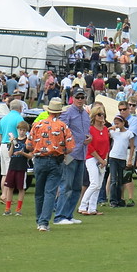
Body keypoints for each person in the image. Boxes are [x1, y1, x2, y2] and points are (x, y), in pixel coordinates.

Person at [27, 97, 75, 231]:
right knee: (50, 192)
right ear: (60, 112)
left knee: (39, 192)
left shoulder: (37, 125)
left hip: (39, 160)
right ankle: (44, 222)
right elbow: (71, 147)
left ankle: (39, 220)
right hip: (55, 160)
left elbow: (29, 145)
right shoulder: (62, 126)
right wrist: (61, 150)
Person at [54, 89, 90, 225]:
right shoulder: (68, 112)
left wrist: (89, 138)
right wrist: (64, 150)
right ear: (72, 98)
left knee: (76, 187)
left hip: (82, 153)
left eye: (82, 97)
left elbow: (86, 132)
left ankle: (68, 215)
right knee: (66, 185)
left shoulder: (86, 114)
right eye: (78, 97)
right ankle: (59, 216)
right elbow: (60, 131)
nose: (80, 100)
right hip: (70, 154)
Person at [78, 107, 109, 215]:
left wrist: (104, 159)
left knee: (99, 185)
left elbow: (107, 145)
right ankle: (83, 205)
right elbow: (90, 147)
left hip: (102, 159)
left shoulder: (105, 129)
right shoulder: (90, 129)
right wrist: (100, 159)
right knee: (94, 183)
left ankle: (92, 208)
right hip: (91, 158)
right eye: (99, 114)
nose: (101, 117)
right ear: (94, 116)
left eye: (103, 114)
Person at [106, 113, 135, 208]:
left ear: (123, 123)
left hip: (122, 158)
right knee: (114, 179)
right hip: (113, 157)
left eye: (118, 123)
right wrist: (111, 128)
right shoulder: (114, 133)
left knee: (120, 180)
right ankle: (113, 200)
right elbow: (106, 133)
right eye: (115, 123)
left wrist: (129, 159)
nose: (116, 125)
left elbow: (131, 147)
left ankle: (119, 199)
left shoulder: (128, 133)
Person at [2, 120, 31, 216]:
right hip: (12, 166)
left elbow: (31, 156)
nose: (21, 132)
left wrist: (22, 153)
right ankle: (7, 208)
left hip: (22, 167)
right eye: (20, 130)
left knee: (21, 188)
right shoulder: (15, 140)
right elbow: (10, 154)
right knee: (10, 187)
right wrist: (11, 144)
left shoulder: (27, 141)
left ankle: (18, 209)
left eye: (23, 130)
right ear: (17, 130)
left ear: (26, 131)